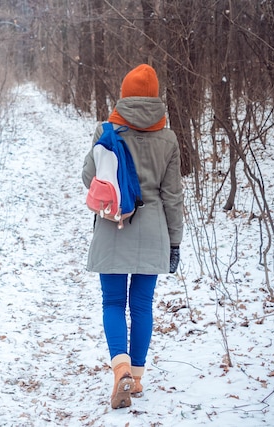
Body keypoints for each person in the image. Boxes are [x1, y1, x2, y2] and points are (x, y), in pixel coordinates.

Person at [82, 64, 183, 409]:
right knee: (141, 305)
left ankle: (120, 368)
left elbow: (89, 178)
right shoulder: (168, 139)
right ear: (155, 97)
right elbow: (173, 197)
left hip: (114, 225)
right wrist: (175, 241)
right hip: (154, 230)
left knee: (113, 302)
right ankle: (136, 380)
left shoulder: (106, 130)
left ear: (124, 94)